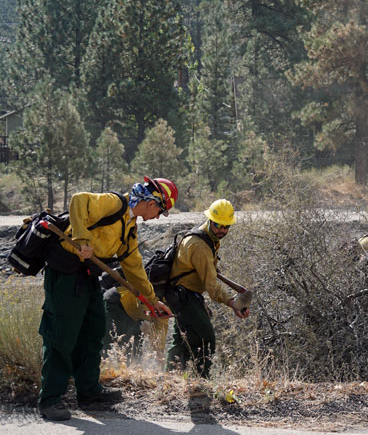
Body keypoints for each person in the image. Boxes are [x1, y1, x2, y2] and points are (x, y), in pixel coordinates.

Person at [38, 177, 177, 421]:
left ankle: (89, 391)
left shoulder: (130, 227)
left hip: (88, 276)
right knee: (62, 334)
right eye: (160, 210)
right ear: (150, 201)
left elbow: (134, 267)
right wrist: (82, 239)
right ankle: (50, 399)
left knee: (94, 329)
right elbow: (79, 200)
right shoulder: (114, 204)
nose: (158, 216)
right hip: (65, 274)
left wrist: (152, 300)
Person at [165, 199, 251, 378]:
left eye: (227, 227)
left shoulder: (208, 237)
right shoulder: (200, 246)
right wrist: (233, 303)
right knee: (206, 338)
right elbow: (212, 286)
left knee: (181, 341)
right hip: (184, 297)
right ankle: (201, 381)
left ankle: (169, 379)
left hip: (182, 295)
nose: (223, 231)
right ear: (210, 221)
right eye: (219, 225)